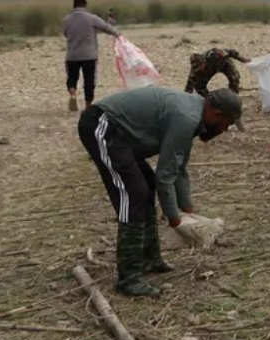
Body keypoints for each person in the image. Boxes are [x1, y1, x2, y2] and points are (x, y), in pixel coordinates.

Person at [77, 87, 243, 296]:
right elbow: (165, 176)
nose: (225, 130)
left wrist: (188, 211)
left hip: (121, 135)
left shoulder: (194, 116)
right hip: (102, 125)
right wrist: (176, 221)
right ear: (217, 114)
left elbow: (178, 167)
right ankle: (129, 278)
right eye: (227, 124)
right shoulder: (186, 117)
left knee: (146, 185)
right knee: (133, 195)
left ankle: (150, 259)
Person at [63, 0, 119, 112]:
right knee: (89, 79)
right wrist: (117, 34)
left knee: (72, 77)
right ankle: (88, 105)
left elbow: (66, 34)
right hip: (89, 55)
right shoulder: (91, 18)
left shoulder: (66, 20)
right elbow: (106, 28)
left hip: (72, 55)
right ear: (85, 5)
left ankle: (73, 94)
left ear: (74, 6)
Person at [184, 48, 252, 97]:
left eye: (200, 66)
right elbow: (190, 83)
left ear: (203, 61)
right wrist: (186, 95)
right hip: (209, 70)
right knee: (199, 87)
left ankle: (233, 96)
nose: (200, 69)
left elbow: (231, 52)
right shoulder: (195, 70)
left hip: (224, 64)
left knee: (235, 78)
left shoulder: (215, 54)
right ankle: (208, 100)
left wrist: (243, 59)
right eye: (197, 68)